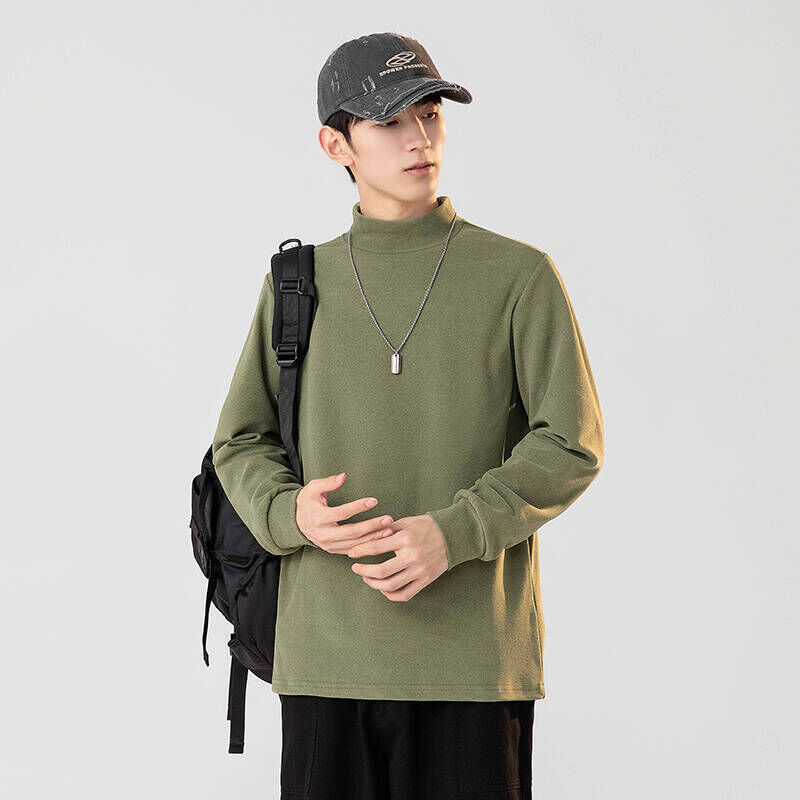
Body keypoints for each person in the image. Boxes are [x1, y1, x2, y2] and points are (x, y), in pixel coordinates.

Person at [212, 31, 604, 800]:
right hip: (325, 659)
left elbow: (571, 441)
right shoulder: (298, 283)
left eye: (429, 113)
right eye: (390, 122)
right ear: (336, 144)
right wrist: (291, 513)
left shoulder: (518, 276)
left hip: (472, 663)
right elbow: (239, 440)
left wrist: (454, 531)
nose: (419, 138)